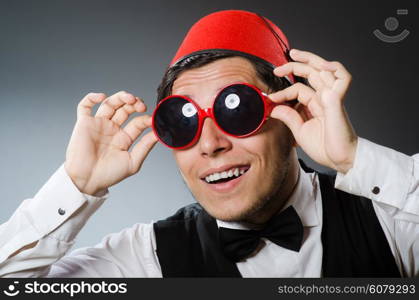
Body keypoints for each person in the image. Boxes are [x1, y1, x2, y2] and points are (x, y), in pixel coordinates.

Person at [0, 10, 418, 278]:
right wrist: (77, 187)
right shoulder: (147, 258)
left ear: (298, 114)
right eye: (182, 124)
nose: (210, 144)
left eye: (237, 112)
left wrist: (355, 159)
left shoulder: (391, 221)